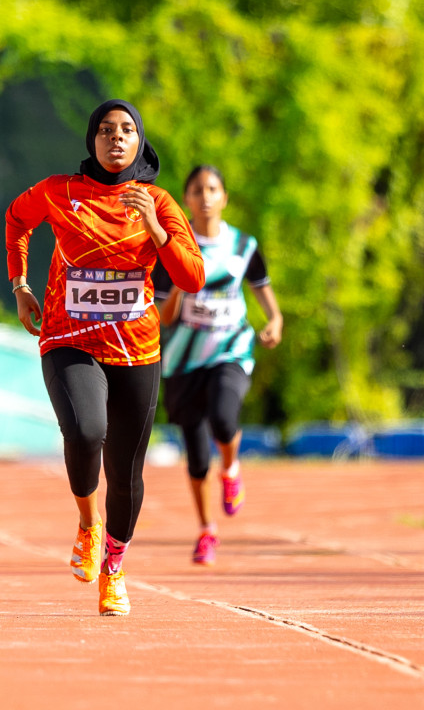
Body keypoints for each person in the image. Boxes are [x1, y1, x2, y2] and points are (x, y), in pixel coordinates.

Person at [5, 100, 205, 616]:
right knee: (85, 430)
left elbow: (191, 278)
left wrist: (157, 232)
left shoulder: (158, 202)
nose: (116, 138)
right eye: (106, 130)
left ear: (140, 142)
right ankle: (88, 524)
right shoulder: (59, 192)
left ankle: (114, 570)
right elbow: (16, 219)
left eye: (127, 130)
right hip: (69, 338)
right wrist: (21, 282)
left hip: (136, 348)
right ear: (91, 140)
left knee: (126, 470)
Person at [158, 165, 282, 566]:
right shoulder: (174, 246)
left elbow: (261, 288)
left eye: (213, 189)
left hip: (231, 349)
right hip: (183, 360)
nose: (206, 196)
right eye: (197, 190)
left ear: (224, 197)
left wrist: (275, 320)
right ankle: (206, 530)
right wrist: (179, 281)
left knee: (225, 419)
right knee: (195, 456)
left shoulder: (244, 245)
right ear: (186, 199)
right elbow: (164, 317)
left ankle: (231, 469)